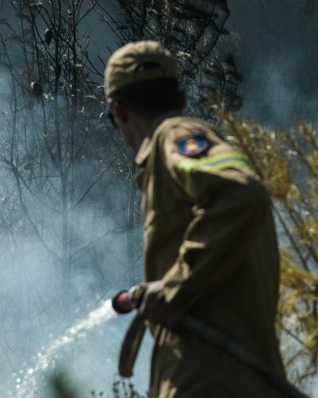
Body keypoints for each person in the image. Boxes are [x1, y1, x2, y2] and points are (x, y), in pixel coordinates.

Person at [105, 40, 286, 397]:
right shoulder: (171, 164)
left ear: (119, 111)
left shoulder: (175, 137)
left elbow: (242, 193)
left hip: (211, 382)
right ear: (182, 99)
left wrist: (173, 289)